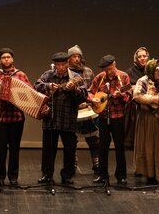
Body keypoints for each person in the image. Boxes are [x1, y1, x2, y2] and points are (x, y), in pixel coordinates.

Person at [34, 52, 87, 185]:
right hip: (50, 118)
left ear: (68, 63)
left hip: (68, 118)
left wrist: (73, 89)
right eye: (58, 65)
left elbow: (83, 96)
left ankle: (67, 176)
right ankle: (47, 175)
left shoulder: (76, 77)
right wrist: (48, 86)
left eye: (63, 64)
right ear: (55, 65)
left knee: (69, 149)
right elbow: (36, 86)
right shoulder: (48, 75)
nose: (61, 67)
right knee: (48, 149)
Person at [0, 47, 33, 188]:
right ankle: (0, 176)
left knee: (14, 149)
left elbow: (30, 92)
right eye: (3, 57)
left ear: (12, 59)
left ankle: (13, 177)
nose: (6, 59)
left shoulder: (20, 74)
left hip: (16, 117)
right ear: (0, 61)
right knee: (0, 149)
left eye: (8, 57)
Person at [88, 55, 131, 185]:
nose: (108, 71)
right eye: (106, 69)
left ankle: (121, 175)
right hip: (103, 116)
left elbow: (129, 96)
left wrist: (121, 95)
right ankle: (102, 175)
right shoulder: (99, 78)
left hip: (118, 116)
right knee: (102, 146)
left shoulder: (123, 77)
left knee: (119, 146)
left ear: (114, 64)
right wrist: (93, 99)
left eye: (110, 68)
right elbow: (90, 92)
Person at [67, 44, 100, 175]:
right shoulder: (66, 73)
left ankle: (96, 163)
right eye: (74, 56)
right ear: (69, 58)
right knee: (71, 139)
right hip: (72, 110)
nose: (77, 59)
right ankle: (72, 163)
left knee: (94, 138)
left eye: (78, 56)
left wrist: (89, 101)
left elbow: (93, 90)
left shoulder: (88, 72)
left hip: (88, 108)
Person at [124, 46, 149, 150]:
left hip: (150, 106)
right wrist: (133, 88)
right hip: (135, 108)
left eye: (144, 56)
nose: (142, 58)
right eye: (140, 57)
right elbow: (124, 88)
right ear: (136, 59)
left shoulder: (152, 71)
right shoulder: (130, 72)